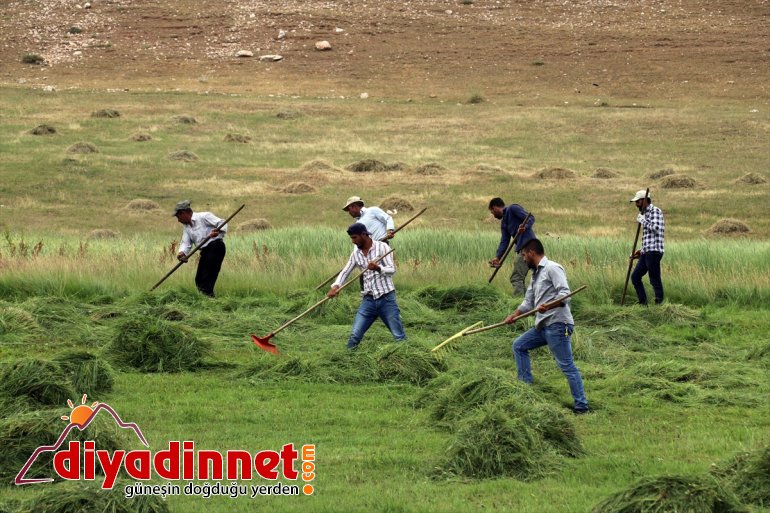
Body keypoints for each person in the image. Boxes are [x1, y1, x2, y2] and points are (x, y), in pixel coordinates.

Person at [505, 238, 589, 414]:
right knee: (519, 345)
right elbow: (528, 302)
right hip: (542, 326)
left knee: (566, 365)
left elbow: (565, 295)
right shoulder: (535, 275)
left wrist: (549, 305)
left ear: (531, 253)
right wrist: (514, 316)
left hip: (558, 325)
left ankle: (582, 406)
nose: (523, 259)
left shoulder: (553, 268)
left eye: (523, 255)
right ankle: (526, 389)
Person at [327, 223, 406, 349]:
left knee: (399, 336)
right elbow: (345, 271)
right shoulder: (356, 254)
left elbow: (392, 270)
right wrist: (336, 286)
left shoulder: (382, 247)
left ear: (364, 234)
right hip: (368, 300)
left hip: (386, 299)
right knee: (354, 335)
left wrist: (378, 268)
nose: (353, 241)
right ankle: (347, 359)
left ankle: (406, 358)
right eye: (351, 238)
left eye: (355, 238)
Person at [173, 200, 227, 297]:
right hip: (205, 252)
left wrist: (217, 231)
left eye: (178, 216)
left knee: (207, 277)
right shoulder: (187, 227)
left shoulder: (204, 216)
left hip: (216, 247)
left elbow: (222, 223)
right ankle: (208, 299)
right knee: (199, 280)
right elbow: (185, 243)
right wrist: (182, 253)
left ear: (183, 213)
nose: (178, 220)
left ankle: (209, 300)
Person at [488, 197, 536, 296]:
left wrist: (524, 227)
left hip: (528, 247)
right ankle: (528, 303)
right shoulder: (504, 223)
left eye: (492, 212)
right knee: (537, 275)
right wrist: (498, 257)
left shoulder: (513, 209)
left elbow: (531, 218)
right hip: (523, 249)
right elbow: (504, 241)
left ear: (495, 207)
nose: (493, 215)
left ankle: (519, 304)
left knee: (516, 278)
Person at [629, 189, 665, 305]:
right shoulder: (645, 214)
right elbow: (649, 237)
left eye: (638, 202)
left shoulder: (655, 211)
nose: (636, 205)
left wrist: (642, 220)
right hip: (647, 251)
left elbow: (655, 228)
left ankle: (659, 303)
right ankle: (643, 304)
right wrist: (641, 251)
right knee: (635, 277)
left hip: (654, 251)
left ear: (644, 201)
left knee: (654, 278)